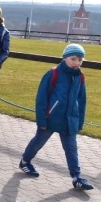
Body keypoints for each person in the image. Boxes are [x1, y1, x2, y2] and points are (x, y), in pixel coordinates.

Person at [19, 44, 94, 190]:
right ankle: (25, 161)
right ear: (65, 57)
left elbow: (82, 100)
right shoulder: (53, 73)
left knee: (71, 148)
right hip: (51, 118)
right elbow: (41, 98)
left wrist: (79, 121)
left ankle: (76, 177)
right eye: (73, 59)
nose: (76, 63)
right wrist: (41, 120)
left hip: (69, 120)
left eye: (80, 60)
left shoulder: (80, 76)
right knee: (38, 142)